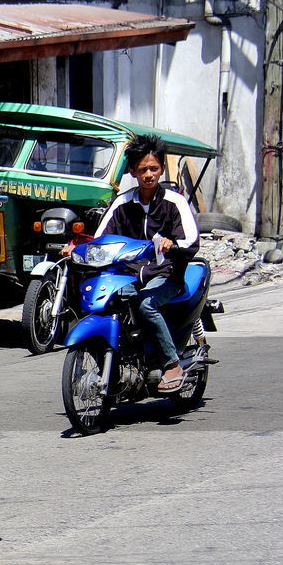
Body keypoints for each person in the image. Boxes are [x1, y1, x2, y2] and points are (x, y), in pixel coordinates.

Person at [61, 134, 199, 392]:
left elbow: (191, 239)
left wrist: (173, 244)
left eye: (154, 168)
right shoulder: (122, 202)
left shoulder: (174, 202)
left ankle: (172, 364)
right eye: (142, 169)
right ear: (133, 172)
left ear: (161, 169)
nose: (149, 174)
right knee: (100, 301)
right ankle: (117, 360)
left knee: (146, 304)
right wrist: (76, 248)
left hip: (166, 274)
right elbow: (100, 239)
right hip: (127, 275)